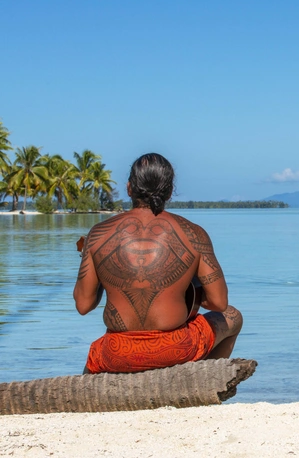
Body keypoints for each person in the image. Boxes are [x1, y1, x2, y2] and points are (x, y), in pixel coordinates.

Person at [73, 153, 243, 373]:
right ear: (170, 192)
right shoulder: (194, 234)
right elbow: (219, 303)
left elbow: (83, 305)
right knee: (233, 316)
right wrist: (187, 299)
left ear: (129, 188)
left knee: (98, 353)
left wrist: (93, 264)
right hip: (175, 349)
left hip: (116, 353)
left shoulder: (98, 234)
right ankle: (202, 383)